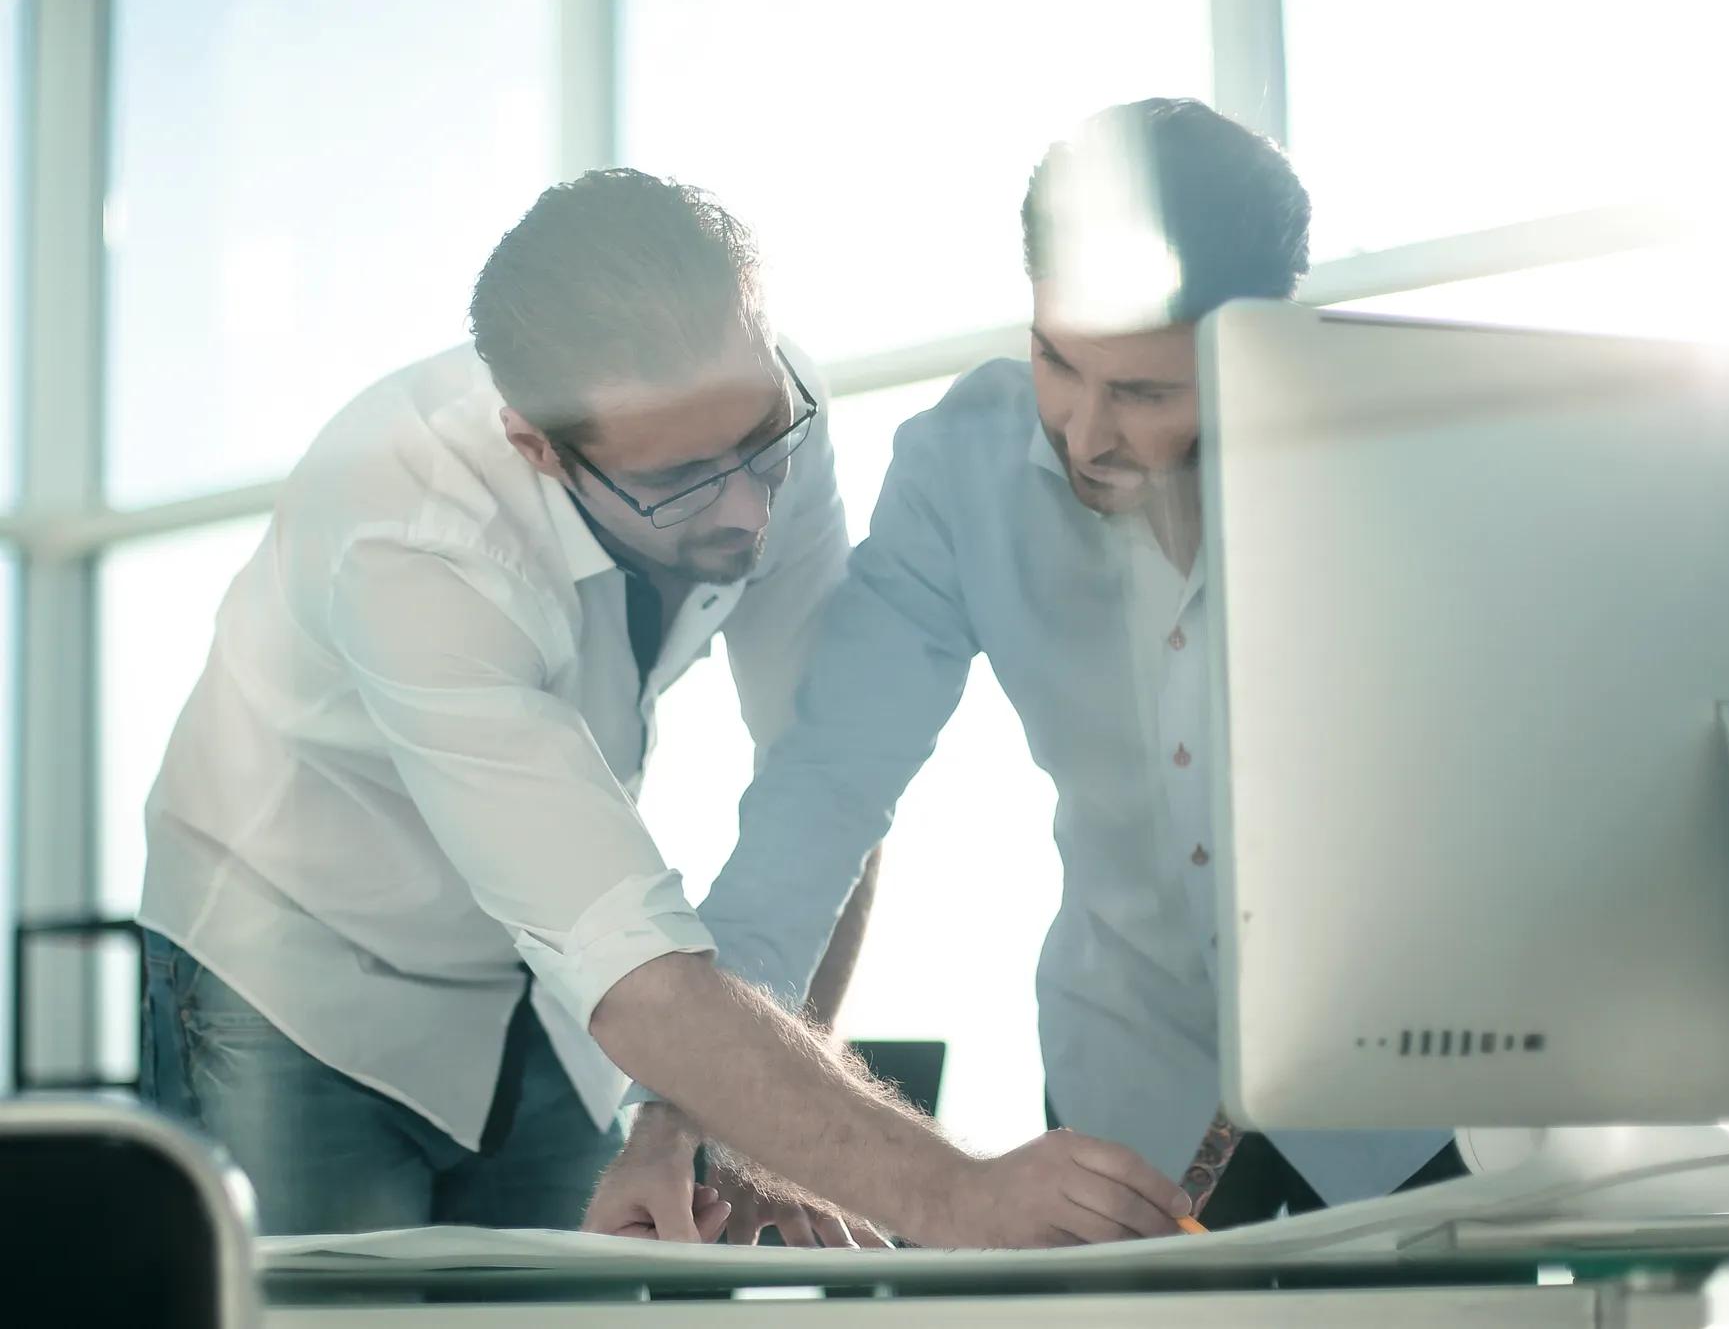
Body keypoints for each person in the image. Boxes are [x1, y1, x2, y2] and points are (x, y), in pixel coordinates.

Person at [138, 168, 1186, 1246]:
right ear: (539, 448)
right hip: (293, 972)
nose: (747, 511)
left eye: (759, 442)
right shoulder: (410, 529)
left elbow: (818, 787)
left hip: (551, 990)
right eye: (684, 480)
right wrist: (954, 1195)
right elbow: (631, 969)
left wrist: (747, 1131)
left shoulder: (765, 420)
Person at [587, 101, 1460, 1239]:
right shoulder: (960, 472)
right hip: (1122, 1109)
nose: (1083, 431)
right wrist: (683, 1112)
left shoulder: (1400, 467)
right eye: (1057, 359)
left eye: (1144, 392)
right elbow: (821, 795)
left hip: (1398, 1092)